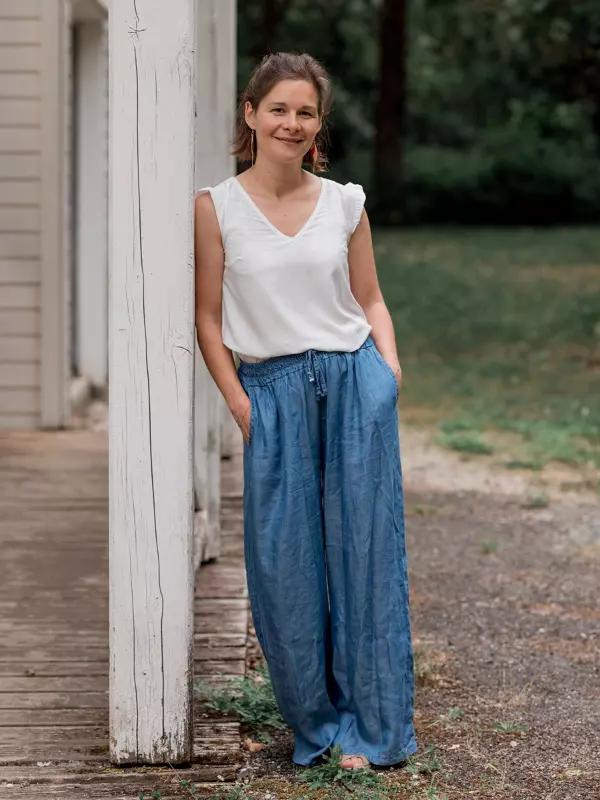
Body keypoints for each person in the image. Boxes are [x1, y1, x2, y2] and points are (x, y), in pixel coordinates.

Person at [194, 52, 416, 770]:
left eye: (307, 111)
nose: (293, 123)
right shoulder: (216, 207)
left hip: (355, 386)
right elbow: (206, 318)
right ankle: (316, 725)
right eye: (280, 108)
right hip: (273, 394)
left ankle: (374, 729)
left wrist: (387, 368)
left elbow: (371, 298)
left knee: (366, 558)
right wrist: (239, 401)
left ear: (319, 125)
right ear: (251, 114)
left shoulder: (345, 203)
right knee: (284, 567)